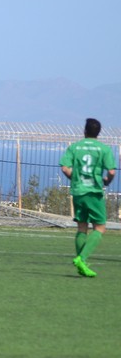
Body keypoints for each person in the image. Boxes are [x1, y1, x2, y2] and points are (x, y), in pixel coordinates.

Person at [59, 118, 116, 277]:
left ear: (84, 131)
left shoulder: (75, 147)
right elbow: (111, 171)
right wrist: (107, 181)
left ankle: (81, 264)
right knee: (100, 227)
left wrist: (75, 179)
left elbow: (65, 168)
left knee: (82, 227)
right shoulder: (104, 149)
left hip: (78, 191)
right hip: (94, 192)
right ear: (98, 133)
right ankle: (82, 258)